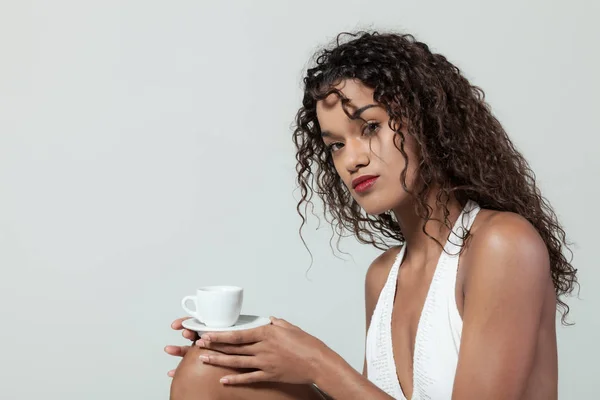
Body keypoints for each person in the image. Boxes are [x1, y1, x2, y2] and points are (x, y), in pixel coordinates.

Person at [164, 31, 578, 399]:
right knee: (207, 373)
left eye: (369, 127)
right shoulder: (384, 276)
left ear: (425, 122)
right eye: (336, 145)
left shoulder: (502, 244)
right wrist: (247, 357)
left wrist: (317, 364)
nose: (352, 160)